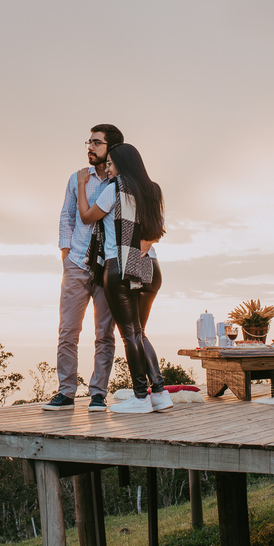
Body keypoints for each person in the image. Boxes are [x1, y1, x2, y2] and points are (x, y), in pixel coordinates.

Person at [76, 143, 169, 414]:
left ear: (122, 164)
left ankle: (141, 396)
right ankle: (160, 393)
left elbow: (85, 217)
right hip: (150, 268)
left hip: (120, 268)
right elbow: (157, 229)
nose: (109, 168)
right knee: (139, 333)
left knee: (130, 335)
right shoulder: (153, 190)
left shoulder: (113, 189)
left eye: (112, 164)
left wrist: (82, 185)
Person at [43, 124, 124, 412]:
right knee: (68, 331)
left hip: (107, 267)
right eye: (88, 142)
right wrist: (66, 257)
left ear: (110, 149)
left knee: (105, 333)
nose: (90, 147)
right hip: (77, 264)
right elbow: (67, 217)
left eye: (96, 143)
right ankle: (66, 392)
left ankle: (98, 393)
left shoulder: (120, 183)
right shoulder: (77, 178)